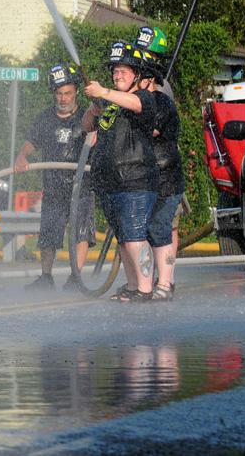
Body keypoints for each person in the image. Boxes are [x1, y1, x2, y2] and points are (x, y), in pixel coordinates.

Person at [83, 42, 158, 303]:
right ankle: (132, 285)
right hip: (110, 182)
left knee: (136, 236)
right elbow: (87, 126)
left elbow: (135, 104)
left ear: (137, 74)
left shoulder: (145, 98)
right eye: (115, 72)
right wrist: (93, 109)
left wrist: (104, 91)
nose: (118, 76)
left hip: (136, 180)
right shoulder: (111, 102)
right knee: (124, 239)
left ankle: (146, 289)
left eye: (124, 72)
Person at [17, 64, 92, 292]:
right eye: (59, 94)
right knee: (48, 232)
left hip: (82, 185)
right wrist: (22, 156)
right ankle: (46, 277)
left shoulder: (86, 117)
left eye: (67, 93)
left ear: (76, 92)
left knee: (81, 232)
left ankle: (75, 278)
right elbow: (31, 142)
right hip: (54, 185)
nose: (63, 98)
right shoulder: (45, 119)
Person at [138, 42, 184, 302]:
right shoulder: (138, 102)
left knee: (160, 227)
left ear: (150, 80)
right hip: (143, 180)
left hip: (166, 180)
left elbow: (150, 131)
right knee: (141, 232)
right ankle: (145, 283)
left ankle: (165, 282)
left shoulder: (161, 103)